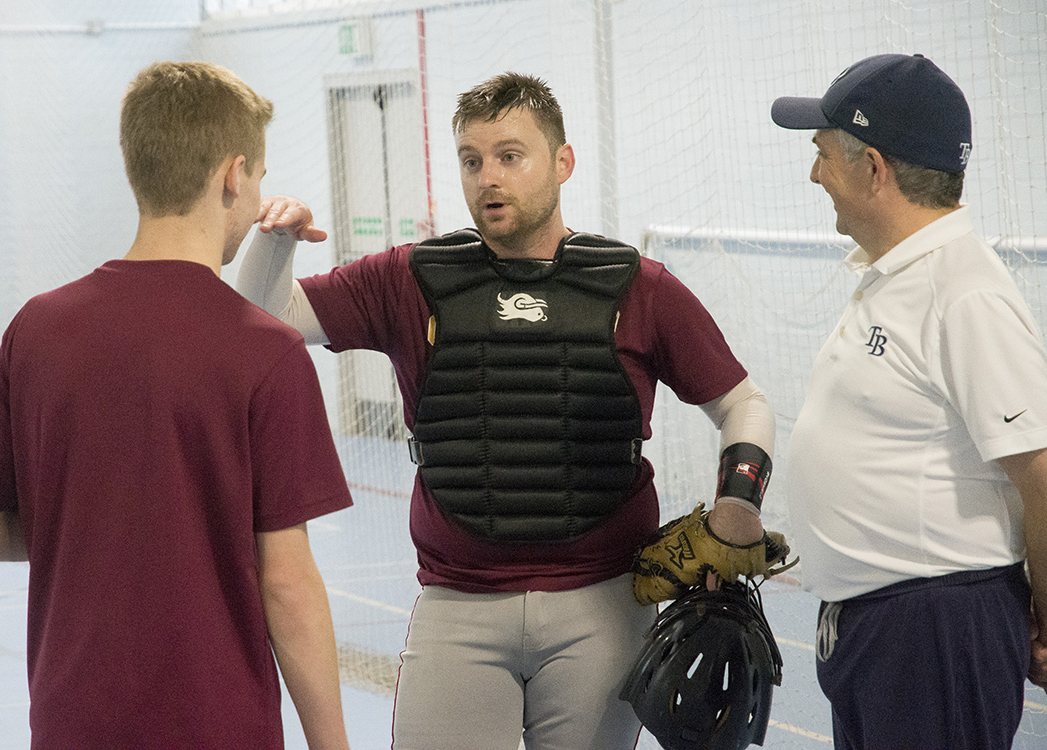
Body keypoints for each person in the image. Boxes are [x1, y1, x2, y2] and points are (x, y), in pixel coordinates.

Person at [238, 72, 779, 749]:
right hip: (457, 604)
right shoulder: (408, 278)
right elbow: (265, 319)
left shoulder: (639, 287)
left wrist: (738, 502)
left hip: (601, 607)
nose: (487, 177)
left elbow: (742, 403)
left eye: (509, 156)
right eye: (472, 160)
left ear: (561, 162)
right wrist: (275, 240)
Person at [0, 61, 353, 750]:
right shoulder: (266, 352)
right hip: (214, 726)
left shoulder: (37, 330)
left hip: (70, 722)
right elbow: (286, 587)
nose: (257, 199)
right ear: (233, 174)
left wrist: (95, 531)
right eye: (256, 178)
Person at [773, 53, 1047, 748]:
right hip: (882, 625)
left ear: (872, 168)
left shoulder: (963, 291)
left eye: (822, 155)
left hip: (933, 630)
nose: (813, 175)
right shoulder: (897, 277)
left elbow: (1040, 470)